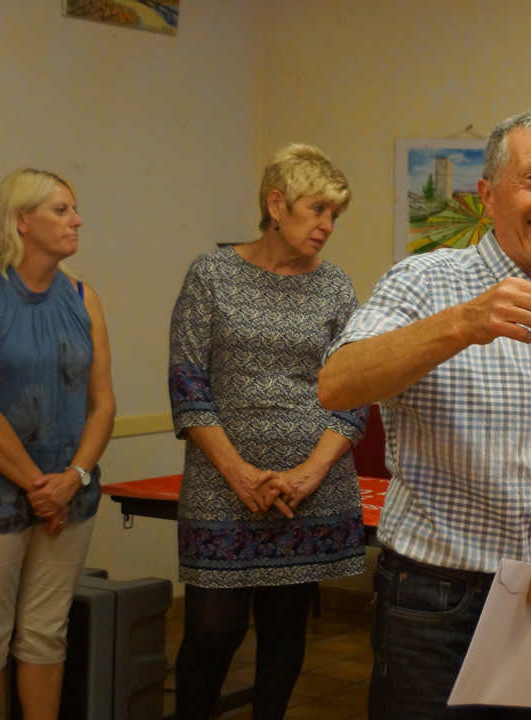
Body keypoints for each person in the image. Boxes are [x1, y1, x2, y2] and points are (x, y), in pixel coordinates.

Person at [318, 110, 531, 719]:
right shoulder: (427, 281)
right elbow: (336, 384)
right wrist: (461, 324)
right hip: (436, 603)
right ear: (488, 195)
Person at [168, 144, 367, 720]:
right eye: (316, 211)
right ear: (275, 205)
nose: (327, 226)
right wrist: (239, 474)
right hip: (222, 484)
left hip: (312, 489)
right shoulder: (212, 275)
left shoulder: (335, 287)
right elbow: (188, 386)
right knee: (211, 631)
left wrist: (309, 472)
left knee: (285, 633)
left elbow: (355, 392)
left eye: (335, 215)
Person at [0, 169, 116, 720]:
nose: (76, 220)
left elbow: (103, 405)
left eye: (74, 209)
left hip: (69, 497)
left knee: (45, 633)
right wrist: (41, 488)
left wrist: (71, 481)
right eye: (61, 210)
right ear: (21, 221)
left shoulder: (84, 297)